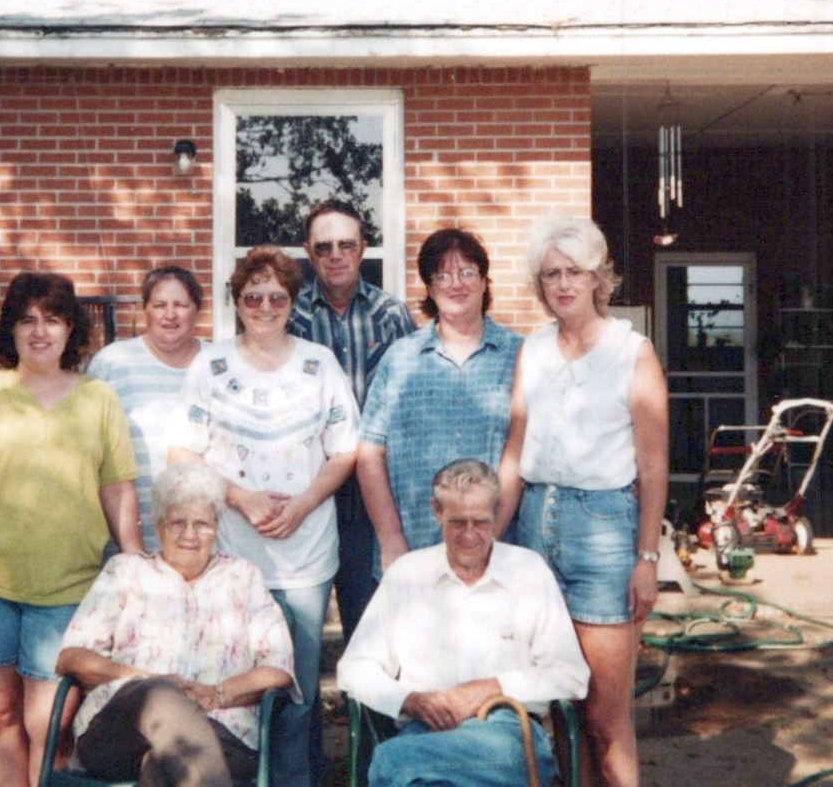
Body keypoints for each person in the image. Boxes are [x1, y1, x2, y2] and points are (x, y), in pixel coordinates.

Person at [0, 270, 142, 787]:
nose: (40, 331)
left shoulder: (99, 399)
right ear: (10, 330)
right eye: (26, 320)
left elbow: (117, 489)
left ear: (71, 329)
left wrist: (135, 569)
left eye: (53, 319)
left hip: (68, 588)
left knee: (52, 723)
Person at [169, 245, 360, 787]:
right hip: (233, 557)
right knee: (231, 686)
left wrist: (303, 503)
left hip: (305, 559)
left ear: (292, 303)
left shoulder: (319, 364)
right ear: (237, 302)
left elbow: (346, 450)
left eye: (277, 297)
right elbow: (182, 452)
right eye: (253, 297)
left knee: (297, 693)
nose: (265, 307)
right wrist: (239, 497)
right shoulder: (211, 366)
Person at [497, 216, 670, 787]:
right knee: (555, 708)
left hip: (604, 532)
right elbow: (515, 453)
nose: (563, 284)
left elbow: (652, 467)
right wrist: (491, 541)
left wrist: (647, 560)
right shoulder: (533, 350)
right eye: (551, 274)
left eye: (575, 271)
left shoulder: (632, 351)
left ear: (598, 277)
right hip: (533, 527)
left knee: (604, 716)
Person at [337, 459, 589, 787]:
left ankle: (395, 763)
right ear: (437, 511)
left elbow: (572, 676)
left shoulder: (528, 572)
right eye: (458, 522)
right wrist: (412, 700)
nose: (469, 535)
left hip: (509, 735)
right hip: (425, 732)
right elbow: (354, 669)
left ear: (496, 512)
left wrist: (492, 687)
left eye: (480, 522)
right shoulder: (408, 575)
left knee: (391, 761)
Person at [56, 461, 297, 786]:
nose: (190, 535)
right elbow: (71, 656)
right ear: (157, 525)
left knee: (164, 767)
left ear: (216, 527)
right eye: (177, 523)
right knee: (160, 695)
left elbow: (279, 667)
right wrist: (149, 680)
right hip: (121, 732)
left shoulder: (243, 578)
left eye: (202, 524)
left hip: (221, 731)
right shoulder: (125, 572)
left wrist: (219, 693)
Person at [358, 228, 523, 577]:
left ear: (484, 281)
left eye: (467, 272)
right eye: (443, 275)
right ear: (430, 288)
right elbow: (370, 452)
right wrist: (390, 538)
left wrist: (489, 541)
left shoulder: (519, 355)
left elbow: (520, 455)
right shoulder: (400, 358)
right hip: (412, 550)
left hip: (497, 551)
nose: (456, 284)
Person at [287, 199, 415, 645]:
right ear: (309, 252)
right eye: (324, 247)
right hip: (305, 501)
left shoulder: (391, 316)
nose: (336, 255)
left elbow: (408, 408)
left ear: (363, 249)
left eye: (346, 245)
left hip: (370, 506)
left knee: (372, 634)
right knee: (297, 639)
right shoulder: (290, 318)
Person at [86, 265, 205, 552]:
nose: (170, 314)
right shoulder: (111, 363)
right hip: (126, 537)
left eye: (181, 305)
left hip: (204, 541)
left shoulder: (217, 365)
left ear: (197, 311)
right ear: (145, 310)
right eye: (160, 305)